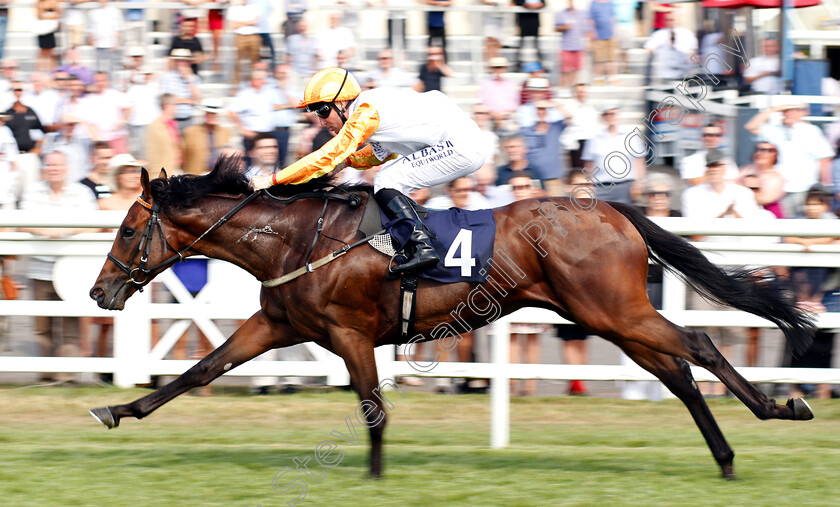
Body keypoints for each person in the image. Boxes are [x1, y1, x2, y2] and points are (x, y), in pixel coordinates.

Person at [250, 68, 488, 273]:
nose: (321, 121)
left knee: (388, 179)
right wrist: (348, 162)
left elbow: (328, 154)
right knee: (388, 176)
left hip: (460, 145)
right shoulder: (370, 110)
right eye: (316, 114)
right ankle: (416, 240)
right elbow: (378, 154)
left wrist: (274, 179)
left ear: (342, 102)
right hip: (461, 143)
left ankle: (422, 246)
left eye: (323, 111)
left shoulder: (365, 112)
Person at [20, 151, 98, 379]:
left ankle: (66, 377)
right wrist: (47, 232)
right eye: (50, 165)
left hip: (71, 269)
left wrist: (62, 232)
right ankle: (46, 376)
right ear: (44, 168)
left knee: (70, 326)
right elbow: (23, 222)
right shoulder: (33, 191)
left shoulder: (81, 193)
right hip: (39, 268)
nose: (54, 168)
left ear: (66, 168)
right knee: (42, 326)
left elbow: (93, 225)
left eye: (58, 165)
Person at [745, 103, 834, 217]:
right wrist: (774, 108)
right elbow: (751, 126)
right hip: (781, 189)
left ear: (803, 112)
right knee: (785, 224)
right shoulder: (775, 130)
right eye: (786, 110)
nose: (788, 113)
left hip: (805, 187)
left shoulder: (811, 131)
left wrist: (823, 185)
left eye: (793, 110)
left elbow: (824, 159)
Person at [581, 105, 645, 204]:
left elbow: (639, 162)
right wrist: (589, 186)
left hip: (625, 186)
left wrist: (639, 183)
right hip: (601, 188)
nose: (610, 117)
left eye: (612, 113)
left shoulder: (631, 136)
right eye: (607, 114)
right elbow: (589, 166)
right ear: (603, 117)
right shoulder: (594, 138)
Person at [228, 69, 278, 161]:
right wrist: (242, 129)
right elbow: (231, 111)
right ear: (253, 81)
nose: (263, 81)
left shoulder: (267, 93)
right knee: (252, 162)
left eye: (263, 79)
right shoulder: (245, 94)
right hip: (253, 134)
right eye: (260, 79)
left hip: (268, 133)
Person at [183, 98, 233, 175]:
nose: (212, 116)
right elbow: (183, 155)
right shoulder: (190, 132)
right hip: (196, 176)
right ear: (205, 114)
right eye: (210, 113)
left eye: (215, 114)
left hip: (217, 176)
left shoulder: (225, 132)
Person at [679, 123, 739, 187]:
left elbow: (735, 181)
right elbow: (694, 183)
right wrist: (715, 173)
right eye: (708, 135)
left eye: (717, 135)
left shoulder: (727, 159)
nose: (712, 138)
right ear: (702, 137)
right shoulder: (689, 160)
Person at [738, 141, 785, 218]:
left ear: (775, 155)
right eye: (757, 149)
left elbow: (763, 199)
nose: (760, 153)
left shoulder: (777, 178)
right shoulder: (745, 169)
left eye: (767, 150)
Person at [160, 49, 202, 131]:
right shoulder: (168, 77)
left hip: (189, 118)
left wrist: (188, 80)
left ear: (188, 62)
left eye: (183, 61)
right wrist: (189, 101)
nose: (181, 63)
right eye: (178, 61)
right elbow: (168, 99)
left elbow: (198, 98)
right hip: (173, 118)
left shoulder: (193, 78)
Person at [560, 83, 598, 170]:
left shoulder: (590, 107)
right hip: (576, 144)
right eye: (579, 92)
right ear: (574, 93)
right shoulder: (568, 107)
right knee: (578, 172)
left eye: (583, 92)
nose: (581, 94)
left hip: (590, 142)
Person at [145, 94, 183, 175]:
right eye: (174, 105)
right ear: (167, 105)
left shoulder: (173, 125)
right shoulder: (155, 126)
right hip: (163, 173)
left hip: (175, 170)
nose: (176, 108)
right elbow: (152, 153)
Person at [478, 57, 519, 129]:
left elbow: (514, 103)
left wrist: (504, 114)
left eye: (501, 67)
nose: (498, 70)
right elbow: (483, 100)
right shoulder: (485, 83)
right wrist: (494, 114)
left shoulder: (511, 84)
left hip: (507, 118)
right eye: (496, 67)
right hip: (490, 118)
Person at [227, 0, 261, 86]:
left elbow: (255, 21)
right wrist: (248, 22)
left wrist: (240, 23)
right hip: (240, 36)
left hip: (253, 36)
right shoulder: (233, 8)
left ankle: (254, 84)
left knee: (255, 62)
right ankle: (236, 85)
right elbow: (232, 25)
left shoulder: (254, 7)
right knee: (237, 62)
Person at [555, 0, 587, 87]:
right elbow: (556, 28)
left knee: (575, 71)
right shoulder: (561, 13)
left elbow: (585, 31)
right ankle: (563, 89)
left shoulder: (582, 14)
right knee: (565, 71)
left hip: (578, 46)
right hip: (566, 46)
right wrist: (564, 27)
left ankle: (573, 90)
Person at [87, 0, 123, 74]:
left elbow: (119, 28)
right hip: (98, 46)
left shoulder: (115, 11)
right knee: (99, 69)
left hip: (111, 45)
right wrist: (93, 42)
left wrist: (117, 42)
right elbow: (90, 29)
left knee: (113, 69)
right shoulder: (92, 12)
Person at [588, 0, 617, 85]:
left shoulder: (610, 2)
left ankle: (612, 78)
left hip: (610, 34)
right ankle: (598, 78)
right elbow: (590, 20)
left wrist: (614, 31)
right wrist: (592, 33)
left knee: (611, 58)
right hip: (598, 35)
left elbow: (612, 18)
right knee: (599, 59)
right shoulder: (594, 3)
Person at [513, 0, 545, 71]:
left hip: (534, 22)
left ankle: (540, 65)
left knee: (536, 45)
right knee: (521, 45)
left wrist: (534, 5)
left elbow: (543, 3)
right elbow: (517, 2)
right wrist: (529, 5)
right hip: (523, 21)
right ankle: (517, 65)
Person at [35, 0, 62, 72]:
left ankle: (52, 71)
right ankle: (39, 71)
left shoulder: (53, 2)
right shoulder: (39, 3)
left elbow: (59, 13)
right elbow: (40, 15)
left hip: (51, 29)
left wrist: (49, 15)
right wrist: (52, 15)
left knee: (52, 52)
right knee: (43, 52)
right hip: (43, 29)